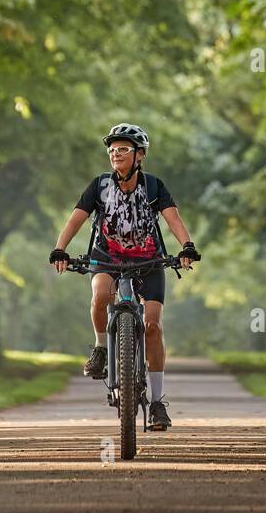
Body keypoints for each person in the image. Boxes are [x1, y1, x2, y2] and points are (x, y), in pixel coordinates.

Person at [49, 123, 200, 432]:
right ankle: (101, 348)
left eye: (123, 150)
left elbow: (173, 218)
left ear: (139, 155)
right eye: (112, 150)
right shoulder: (99, 186)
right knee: (100, 294)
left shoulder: (154, 186)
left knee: (153, 326)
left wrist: (186, 246)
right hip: (107, 258)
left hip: (149, 260)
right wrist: (60, 248)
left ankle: (157, 402)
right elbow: (76, 217)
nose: (116, 155)